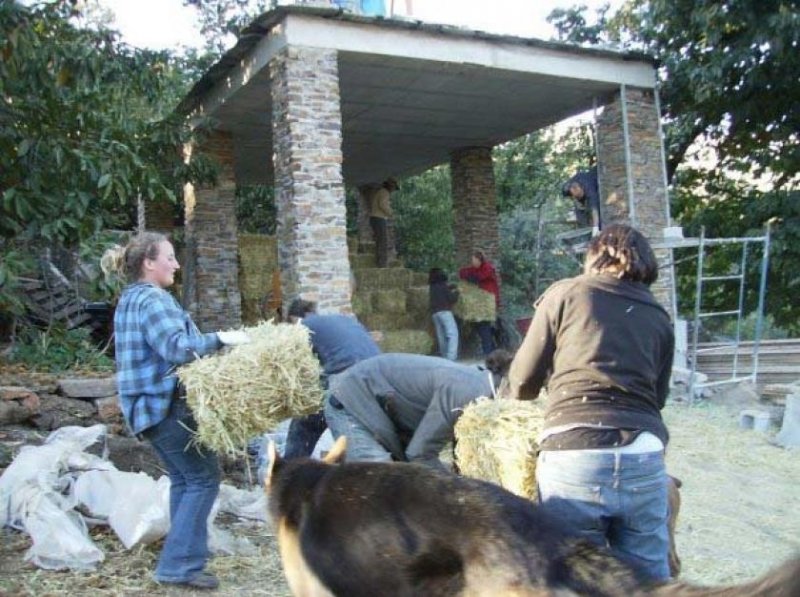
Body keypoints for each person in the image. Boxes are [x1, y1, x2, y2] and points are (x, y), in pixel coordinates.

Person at [503, 224, 674, 582]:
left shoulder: (566, 294)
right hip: (643, 455)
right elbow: (657, 399)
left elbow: (521, 381)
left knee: (574, 580)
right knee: (650, 582)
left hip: (575, 454)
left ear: (595, 256)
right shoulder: (659, 315)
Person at [111, 232, 250, 590]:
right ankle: (179, 565)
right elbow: (177, 349)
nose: (176, 264)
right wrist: (221, 339)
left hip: (147, 408)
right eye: (169, 257)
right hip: (165, 405)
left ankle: (182, 557)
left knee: (185, 480)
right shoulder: (153, 299)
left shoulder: (130, 299)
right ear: (149, 263)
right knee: (203, 479)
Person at [324, 350, 512, 470]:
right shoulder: (467, 391)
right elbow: (419, 454)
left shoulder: (481, 386)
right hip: (350, 401)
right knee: (384, 478)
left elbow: (462, 452)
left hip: (380, 405)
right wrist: (457, 492)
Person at [282, 298, 381, 458]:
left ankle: (292, 466)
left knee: (306, 419)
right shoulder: (343, 320)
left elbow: (297, 367)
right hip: (379, 375)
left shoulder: (303, 326)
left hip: (348, 376)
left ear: (294, 318)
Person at [459, 250, 500, 356]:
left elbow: (479, 277)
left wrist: (470, 276)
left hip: (487, 303)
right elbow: (462, 272)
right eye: (472, 260)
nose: (472, 262)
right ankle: (490, 350)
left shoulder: (488, 268)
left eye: (474, 260)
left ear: (479, 260)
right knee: (481, 327)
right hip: (479, 304)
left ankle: (489, 353)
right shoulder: (475, 268)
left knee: (484, 327)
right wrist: (467, 275)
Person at [428, 267, 459, 361]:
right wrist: (457, 292)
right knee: (452, 334)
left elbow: (441, 292)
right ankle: (451, 358)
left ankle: (444, 357)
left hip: (435, 313)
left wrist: (449, 287)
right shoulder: (443, 285)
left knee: (441, 336)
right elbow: (451, 298)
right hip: (445, 312)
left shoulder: (432, 287)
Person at [368, 177, 398, 267]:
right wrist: (391, 213)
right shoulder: (385, 192)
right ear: (390, 186)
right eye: (393, 188)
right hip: (379, 218)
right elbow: (383, 204)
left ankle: (380, 262)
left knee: (380, 240)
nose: (393, 190)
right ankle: (382, 264)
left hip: (375, 218)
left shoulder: (381, 192)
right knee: (382, 241)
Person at [562, 166, 602, 233]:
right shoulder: (571, 184)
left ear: (576, 187)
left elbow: (594, 209)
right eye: (574, 197)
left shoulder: (589, 186)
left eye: (577, 196)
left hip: (600, 186)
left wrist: (596, 227)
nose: (577, 198)